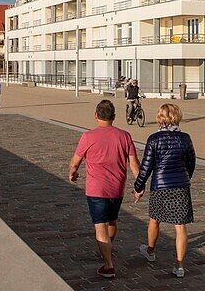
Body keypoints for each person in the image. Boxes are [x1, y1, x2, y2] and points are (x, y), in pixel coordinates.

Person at [69, 99, 139, 279]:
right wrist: (139, 184)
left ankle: (108, 265)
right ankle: (108, 247)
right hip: (117, 188)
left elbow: (75, 162)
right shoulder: (125, 136)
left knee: (100, 225)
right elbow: (134, 163)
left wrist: (73, 174)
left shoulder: (88, 137)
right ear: (114, 117)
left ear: (95, 116)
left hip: (96, 189)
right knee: (112, 221)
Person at [133, 103, 195, 278]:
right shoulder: (185, 138)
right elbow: (191, 162)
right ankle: (179, 265)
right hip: (180, 185)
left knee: (154, 220)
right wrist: (185, 177)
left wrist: (138, 187)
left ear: (160, 117)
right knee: (180, 226)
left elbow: (146, 167)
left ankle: (151, 250)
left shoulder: (154, 139)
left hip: (160, 185)